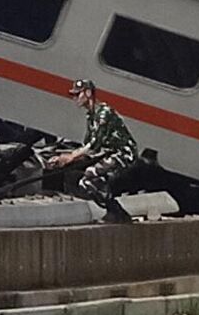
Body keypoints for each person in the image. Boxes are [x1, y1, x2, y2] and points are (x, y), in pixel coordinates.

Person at [47, 79, 142, 222]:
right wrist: (64, 159)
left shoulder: (103, 113)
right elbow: (87, 146)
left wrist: (70, 157)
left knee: (89, 177)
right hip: (109, 154)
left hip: (123, 154)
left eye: (77, 94)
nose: (75, 98)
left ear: (88, 93)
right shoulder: (91, 116)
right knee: (86, 181)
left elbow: (94, 145)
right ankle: (114, 210)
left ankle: (116, 212)